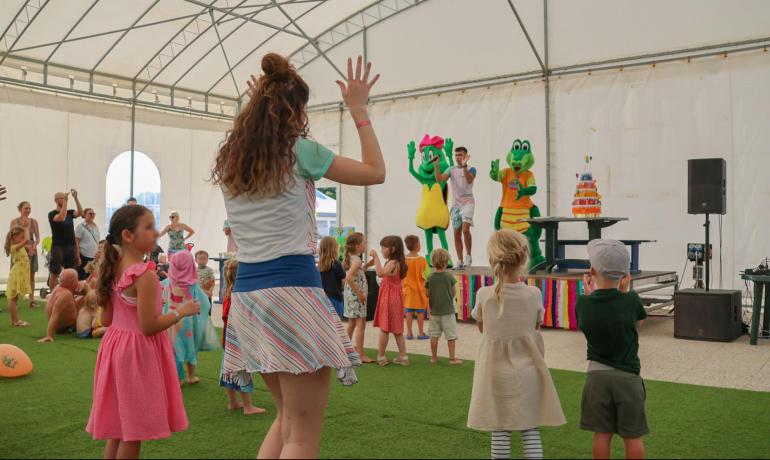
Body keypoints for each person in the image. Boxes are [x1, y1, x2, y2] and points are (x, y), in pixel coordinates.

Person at [212, 53, 384, 459]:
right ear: (294, 111)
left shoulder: (231, 162)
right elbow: (376, 171)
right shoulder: (299, 151)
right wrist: (359, 111)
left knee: (287, 418)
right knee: (301, 434)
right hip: (292, 293)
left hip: (249, 300)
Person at [86, 205, 198, 459]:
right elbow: (149, 326)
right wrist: (182, 311)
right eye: (148, 227)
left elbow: (108, 318)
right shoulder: (144, 275)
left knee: (119, 429)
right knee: (133, 432)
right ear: (128, 235)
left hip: (114, 347)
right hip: (136, 354)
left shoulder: (112, 269)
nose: (156, 233)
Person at [468, 229, 566, 460]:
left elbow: (483, 327)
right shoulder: (533, 294)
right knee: (530, 428)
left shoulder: (484, 294)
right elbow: (535, 327)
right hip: (527, 372)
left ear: (492, 259)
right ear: (524, 258)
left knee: (500, 429)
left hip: (494, 373)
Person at [577, 239, 649, 460]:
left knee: (602, 435)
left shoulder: (582, 303)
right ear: (624, 274)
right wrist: (626, 293)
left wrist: (589, 296)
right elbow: (636, 325)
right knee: (633, 437)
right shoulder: (632, 300)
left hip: (596, 376)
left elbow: (589, 322)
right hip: (628, 377)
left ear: (592, 271)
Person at [162, 251, 218, 385]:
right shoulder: (193, 286)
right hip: (188, 324)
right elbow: (204, 303)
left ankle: (177, 377)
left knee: (173, 348)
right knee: (189, 347)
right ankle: (191, 376)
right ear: (192, 266)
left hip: (170, 320)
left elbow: (161, 299)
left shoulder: (167, 283)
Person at [221, 258, 266, 416]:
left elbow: (225, 317)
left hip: (228, 337)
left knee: (228, 368)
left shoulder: (228, 292)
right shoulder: (240, 294)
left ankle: (233, 401)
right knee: (242, 369)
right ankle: (248, 406)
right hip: (239, 338)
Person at [370, 236, 409, 367]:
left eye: (383, 247)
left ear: (392, 249)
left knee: (384, 328)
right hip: (396, 299)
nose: (381, 249)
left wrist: (375, 257)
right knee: (397, 330)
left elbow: (380, 273)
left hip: (389, 298)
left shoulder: (392, 263)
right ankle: (403, 357)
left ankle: (381, 356)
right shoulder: (397, 263)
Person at [435, 146, 476, 268]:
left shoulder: (471, 169)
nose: (458, 157)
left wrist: (464, 167)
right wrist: (436, 166)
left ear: (466, 156)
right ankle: (460, 260)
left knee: (465, 229)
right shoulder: (451, 169)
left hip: (468, 203)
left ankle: (468, 255)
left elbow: (469, 180)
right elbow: (440, 179)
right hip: (456, 206)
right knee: (456, 233)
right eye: (456, 155)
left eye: (460, 155)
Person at [425, 248, 461, 365]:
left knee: (434, 336)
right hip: (448, 312)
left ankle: (434, 358)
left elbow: (426, 293)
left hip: (434, 312)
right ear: (446, 262)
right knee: (451, 336)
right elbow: (454, 292)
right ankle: (452, 359)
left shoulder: (430, 277)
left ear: (432, 262)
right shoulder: (449, 277)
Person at [343, 232, 375, 364]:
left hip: (351, 296)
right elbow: (349, 278)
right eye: (364, 242)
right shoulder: (356, 260)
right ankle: (360, 354)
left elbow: (357, 274)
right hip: (356, 297)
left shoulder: (353, 258)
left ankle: (344, 350)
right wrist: (360, 294)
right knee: (361, 325)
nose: (366, 244)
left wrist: (367, 265)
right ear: (358, 246)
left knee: (352, 323)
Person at [37, 269, 88, 342]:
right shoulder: (66, 295)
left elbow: (80, 291)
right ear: (73, 282)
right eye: (77, 279)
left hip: (61, 324)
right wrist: (49, 335)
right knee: (88, 298)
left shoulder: (59, 287)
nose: (78, 281)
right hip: (64, 327)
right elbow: (55, 315)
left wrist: (84, 284)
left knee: (84, 297)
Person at [48, 190, 84, 289]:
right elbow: (61, 217)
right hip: (58, 247)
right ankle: (53, 295)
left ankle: (69, 294)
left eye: (64, 197)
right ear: (56, 200)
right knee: (54, 272)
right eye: (61, 198)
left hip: (71, 246)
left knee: (72, 272)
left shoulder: (70, 212)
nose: (64, 199)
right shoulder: (52, 214)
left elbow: (81, 213)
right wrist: (65, 202)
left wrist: (76, 198)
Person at [10, 201, 40, 307]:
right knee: (16, 275)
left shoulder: (33, 221)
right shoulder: (14, 222)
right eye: (26, 208)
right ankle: (14, 300)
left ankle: (31, 300)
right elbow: (12, 238)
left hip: (31, 249)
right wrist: (26, 246)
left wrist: (33, 246)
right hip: (19, 250)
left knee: (32, 275)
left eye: (29, 208)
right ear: (20, 209)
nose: (28, 210)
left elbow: (37, 238)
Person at [403, 235, 429, 340]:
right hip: (419, 290)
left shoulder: (403, 259)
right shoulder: (422, 260)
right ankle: (420, 333)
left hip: (408, 290)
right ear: (418, 245)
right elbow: (427, 276)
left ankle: (409, 333)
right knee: (420, 313)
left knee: (408, 312)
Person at [5, 226, 31, 327]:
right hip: (16, 275)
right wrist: (26, 227)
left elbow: (26, 243)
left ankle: (15, 320)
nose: (23, 238)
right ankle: (15, 321)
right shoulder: (14, 247)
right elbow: (27, 241)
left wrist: (29, 249)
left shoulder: (19, 247)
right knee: (13, 299)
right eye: (21, 236)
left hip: (20, 274)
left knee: (14, 299)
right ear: (14, 237)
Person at [318, 236, 346, 318]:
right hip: (335, 299)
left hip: (322, 299)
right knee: (336, 327)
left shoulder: (318, 265)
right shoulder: (337, 264)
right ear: (334, 249)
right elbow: (344, 282)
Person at [76, 208, 101, 281]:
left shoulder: (96, 226)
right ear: (84, 215)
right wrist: (78, 256)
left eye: (94, 214)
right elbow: (76, 242)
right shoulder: (80, 227)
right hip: (84, 256)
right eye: (90, 214)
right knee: (82, 277)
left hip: (94, 257)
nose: (92, 215)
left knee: (92, 278)